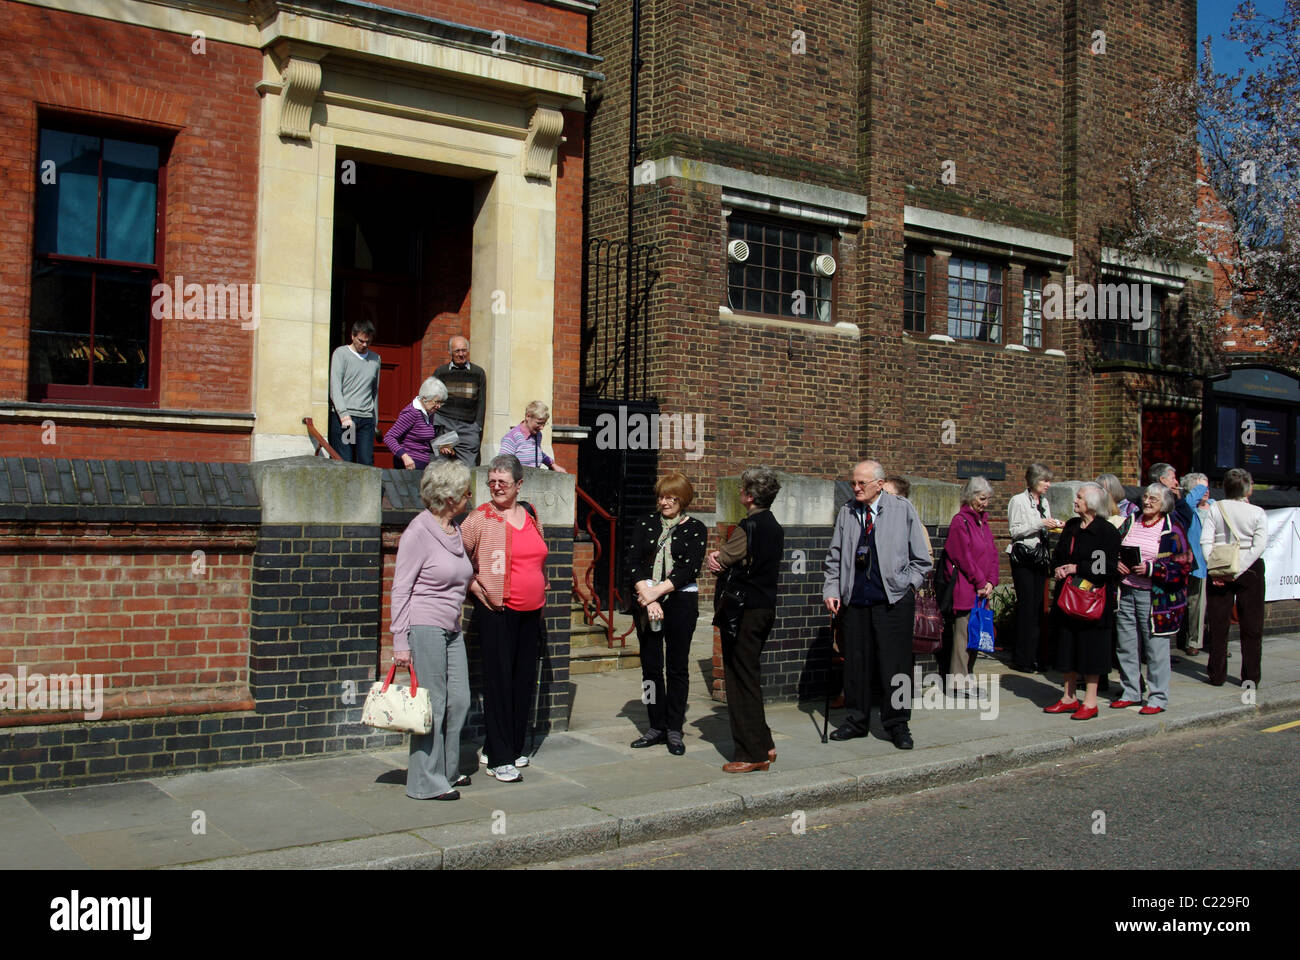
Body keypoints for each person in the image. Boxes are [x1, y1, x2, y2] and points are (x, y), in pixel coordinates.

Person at [823, 460, 932, 750]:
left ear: (879, 484)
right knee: (856, 664)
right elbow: (834, 557)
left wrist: (907, 585)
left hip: (893, 601)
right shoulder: (847, 512)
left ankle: (897, 724)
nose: (856, 488)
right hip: (855, 600)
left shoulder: (902, 509)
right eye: (853, 482)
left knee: (895, 665)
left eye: (862, 483)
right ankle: (856, 720)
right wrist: (832, 589)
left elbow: (922, 558)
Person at [390, 460, 475, 800]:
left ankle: (447, 770)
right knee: (433, 705)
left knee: (460, 700)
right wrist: (400, 641)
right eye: (465, 491)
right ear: (449, 496)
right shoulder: (418, 532)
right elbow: (400, 588)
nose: (470, 496)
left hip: (451, 627)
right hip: (424, 626)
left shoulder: (454, 528)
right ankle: (425, 781)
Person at [461, 454, 549, 783]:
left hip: (531, 612)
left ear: (519, 485)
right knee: (498, 684)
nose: (497, 488)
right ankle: (499, 758)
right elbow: (458, 556)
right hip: (497, 611)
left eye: (503, 482)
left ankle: (509, 745)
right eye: (492, 482)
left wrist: (542, 590)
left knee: (523, 680)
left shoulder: (530, 514)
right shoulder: (480, 517)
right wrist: (473, 584)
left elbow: (539, 557)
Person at [706, 466, 783, 772]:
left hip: (743, 611)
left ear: (750, 496)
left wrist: (716, 557)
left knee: (740, 680)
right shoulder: (774, 525)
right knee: (749, 675)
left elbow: (721, 560)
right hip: (764, 608)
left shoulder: (747, 527)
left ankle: (752, 754)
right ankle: (765, 744)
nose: (739, 493)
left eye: (742, 490)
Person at [626, 472, 707, 756]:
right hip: (647, 601)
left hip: (679, 601)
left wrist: (657, 592)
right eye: (662, 496)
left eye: (671, 497)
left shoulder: (696, 528)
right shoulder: (645, 523)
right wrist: (648, 598)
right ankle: (654, 724)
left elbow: (689, 569)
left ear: (682, 499)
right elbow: (633, 561)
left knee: (676, 667)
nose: (665, 502)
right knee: (650, 667)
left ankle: (674, 727)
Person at [1111, 484, 1193, 715]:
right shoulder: (1131, 520)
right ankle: (1131, 692)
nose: (1147, 501)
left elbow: (1183, 564)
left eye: (1154, 499)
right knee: (1125, 645)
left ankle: (1157, 698)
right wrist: (1116, 561)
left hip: (1156, 599)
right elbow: (1112, 547)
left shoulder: (1173, 528)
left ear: (1164, 504)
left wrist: (1150, 569)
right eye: (1145, 497)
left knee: (1155, 649)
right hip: (1126, 592)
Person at [1043, 482, 1121, 721]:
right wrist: (1058, 569)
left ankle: (1090, 701)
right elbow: (1058, 556)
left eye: (1079, 497)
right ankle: (1068, 697)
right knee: (1067, 646)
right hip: (1068, 599)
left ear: (1092, 503)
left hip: (1092, 601)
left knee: (1091, 649)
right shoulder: (1072, 527)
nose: (1075, 500)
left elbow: (1104, 568)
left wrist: (1076, 567)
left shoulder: (1106, 532)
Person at [1200, 467, 1269, 688]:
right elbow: (1259, 546)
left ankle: (1217, 675)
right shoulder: (1258, 512)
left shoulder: (1215, 509)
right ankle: (1250, 677)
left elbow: (1205, 542)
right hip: (1250, 570)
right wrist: (1239, 571)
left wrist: (1215, 570)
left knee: (1219, 625)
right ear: (1248, 489)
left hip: (1220, 566)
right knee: (1252, 626)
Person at [942, 477, 1000, 694]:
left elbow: (993, 554)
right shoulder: (961, 521)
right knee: (963, 635)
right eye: (982, 498)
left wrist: (992, 582)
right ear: (971, 496)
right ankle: (958, 682)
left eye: (987, 499)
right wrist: (980, 581)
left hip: (982, 589)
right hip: (966, 588)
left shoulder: (983, 522)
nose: (985, 503)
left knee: (976, 636)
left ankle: (968, 678)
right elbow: (962, 556)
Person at [1006, 463, 1065, 672]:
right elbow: (1015, 531)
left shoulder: (1044, 502)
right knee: (1027, 608)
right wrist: (1041, 523)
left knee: (1039, 608)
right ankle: (1022, 657)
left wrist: (1055, 526)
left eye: (1049, 480)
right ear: (1033, 481)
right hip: (1024, 559)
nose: (1048, 484)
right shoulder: (1018, 501)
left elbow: (1044, 525)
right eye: (1044, 480)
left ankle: (1037, 655)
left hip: (1040, 558)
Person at [328, 319, 381, 464]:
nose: (364, 345)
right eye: (361, 340)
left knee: (366, 461)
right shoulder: (341, 354)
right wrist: (344, 415)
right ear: (352, 336)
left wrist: (374, 420)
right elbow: (335, 387)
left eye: (368, 342)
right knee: (346, 460)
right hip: (347, 420)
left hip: (366, 420)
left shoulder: (375, 359)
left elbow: (374, 391)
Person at [432, 336, 487, 466]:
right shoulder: (441, 372)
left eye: (464, 350)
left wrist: (477, 427)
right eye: (457, 351)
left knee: (468, 469)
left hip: (468, 428)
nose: (461, 354)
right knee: (439, 467)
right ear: (450, 352)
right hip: (445, 425)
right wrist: (436, 427)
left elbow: (481, 402)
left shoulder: (478, 373)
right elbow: (431, 398)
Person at [1178, 473, 1212, 656]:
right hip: (1198, 563)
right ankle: (1194, 641)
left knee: (1216, 605)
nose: (1205, 491)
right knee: (1196, 604)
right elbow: (1188, 503)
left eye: (1207, 487)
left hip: (1216, 561)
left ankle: (1214, 641)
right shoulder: (1189, 508)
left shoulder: (1215, 506)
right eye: (1200, 488)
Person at [384, 377, 448, 471]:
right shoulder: (412, 413)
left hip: (423, 464)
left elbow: (423, 441)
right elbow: (389, 437)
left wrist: (440, 446)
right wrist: (405, 457)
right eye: (436, 402)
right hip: (409, 466)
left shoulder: (429, 412)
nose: (438, 406)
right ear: (425, 398)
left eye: (441, 403)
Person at [498, 401, 567, 472]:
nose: (542, 428)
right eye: (539, 423)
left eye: (544, 424)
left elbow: (538, 453)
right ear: (528, 416)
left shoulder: (537, 435)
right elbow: (502, 463)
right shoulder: (512, 436)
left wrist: (552, 464)